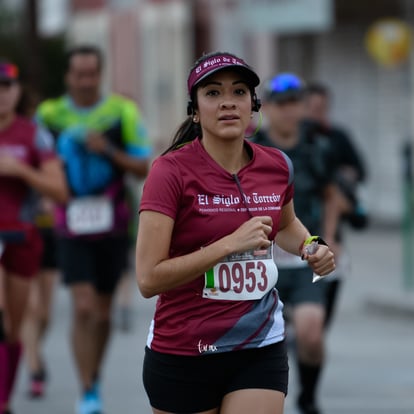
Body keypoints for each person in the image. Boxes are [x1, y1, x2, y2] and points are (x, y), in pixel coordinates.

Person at [135, 51, 335, 414]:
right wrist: (229, 244)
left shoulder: (276, 165)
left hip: (259, 345)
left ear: (253, 104)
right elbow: (148, 279)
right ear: (194, 109)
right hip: (186, 348)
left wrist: (312, 245)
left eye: (239, 92)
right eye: (212, 93)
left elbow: (286, 224)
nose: (228, 102)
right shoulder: (169, 172)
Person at [35, 45, 152, 414]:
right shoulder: (49, 115)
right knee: (82, 307)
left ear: (100, 75)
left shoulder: (122, 111)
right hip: (68, 224)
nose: (85, 81)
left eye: (92, 74)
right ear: (68, 76)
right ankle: (86, 389)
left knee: (102, 313)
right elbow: (39, 166)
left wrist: (108, 150)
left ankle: (95, 376)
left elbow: (142, 166)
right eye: (78, 74)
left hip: (113, 223)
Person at [250, 73, 341, 414]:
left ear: (303, 107)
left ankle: (308, 397)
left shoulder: (316, 149)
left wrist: (329, 237)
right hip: (261, 256)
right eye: (281, 104)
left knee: (311, 332)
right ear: (268, 107)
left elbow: (333, 196)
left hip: (306, 250)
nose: (288, 111)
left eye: (294, 104)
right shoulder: (252, 149)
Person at [0, 59, 69, 414]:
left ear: (17, 91)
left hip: (23, 236)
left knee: (15, 326)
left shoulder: (34, 134)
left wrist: (21, 170)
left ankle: (5, 398)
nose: (1, 95)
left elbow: (59, 191)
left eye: (6, 87)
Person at [302, 82, 367, 328]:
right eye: (313, 107)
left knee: (326, 297)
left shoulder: (336, 138)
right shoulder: (293, 142)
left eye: (322, 108)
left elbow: (360, 171)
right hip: (299, 233)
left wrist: (343, 177)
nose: (317, 113)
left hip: (330, 229)